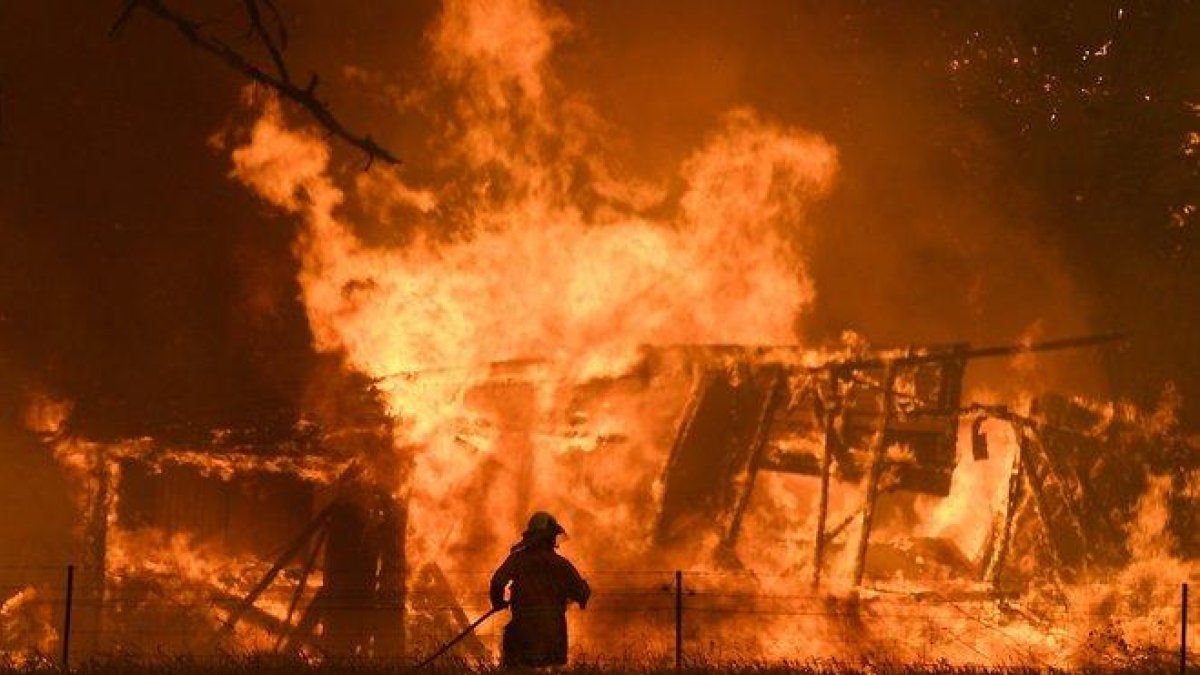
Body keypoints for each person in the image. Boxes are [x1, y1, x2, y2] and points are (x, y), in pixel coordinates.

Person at [489, 511, 590, 668]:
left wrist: (499, 602)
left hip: (522, 630)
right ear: (549, 537)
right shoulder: (561, 564)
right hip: (552, 633)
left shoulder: (517, 559)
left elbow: (497, 582)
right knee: (549, 668)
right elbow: (581, 591)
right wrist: (581, 592)